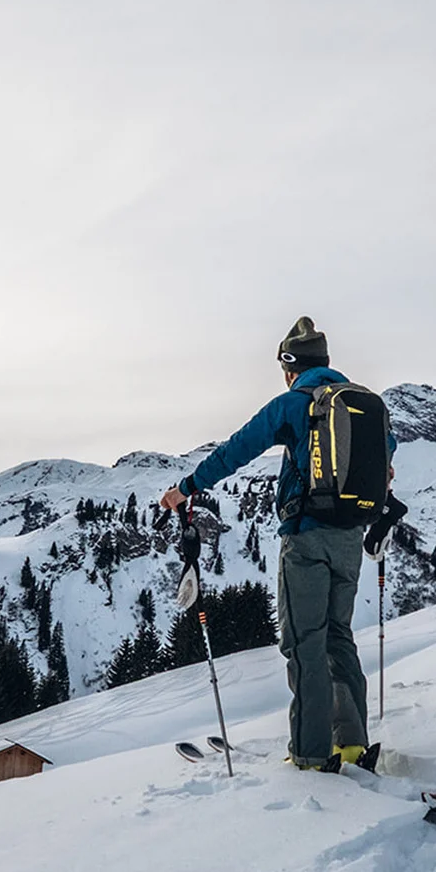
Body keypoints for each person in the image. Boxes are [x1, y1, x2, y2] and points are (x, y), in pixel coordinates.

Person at [158, 316, 393, 772]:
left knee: (304, 642)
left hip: (306, 538)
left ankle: (310, 753)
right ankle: (351, 744)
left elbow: (236, 449)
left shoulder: (293, 404)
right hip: (350, 536)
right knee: (339, 637)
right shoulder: (360, 404)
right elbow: (390, 448)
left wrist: (186, 488)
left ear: (290, 368)